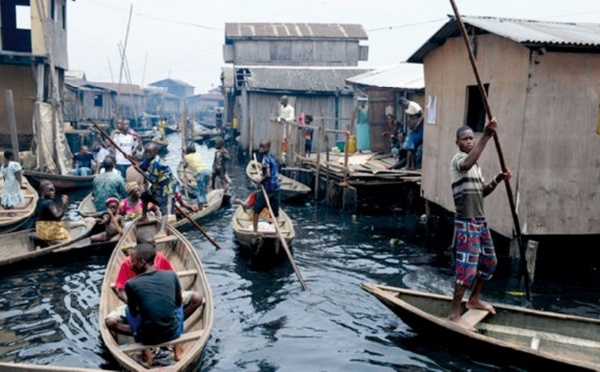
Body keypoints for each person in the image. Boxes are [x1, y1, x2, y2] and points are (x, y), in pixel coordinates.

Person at [448, 118, 511, 331]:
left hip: (479, 221)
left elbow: (482, 191)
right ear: (458, 143)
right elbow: (466, 164)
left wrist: (498, 180)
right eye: (465, 139)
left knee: (489, 262)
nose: (469, 142)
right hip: (466, 221)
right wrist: (487, 136)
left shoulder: (476, 166)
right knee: (467, 269)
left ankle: (473, 299)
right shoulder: (459, 160)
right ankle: (454, 314)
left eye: (471, 139)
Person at [124, 243, 184, 365]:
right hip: (172, 332)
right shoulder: (171, 275)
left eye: (133, 261)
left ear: (142, 262)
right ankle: (178, 350)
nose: (130, 265)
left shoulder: (131, 284)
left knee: (127, 310)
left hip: (146, 338)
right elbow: (178, 302)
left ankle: (147, 356)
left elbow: (134, 312)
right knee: (179, 305)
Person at [139, 142, 197, 237]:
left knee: (164, 207)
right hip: (158, 184)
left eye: (149, 152)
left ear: (156, 152)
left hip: (167, 185)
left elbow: (152, 178)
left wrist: (142, 172)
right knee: (144, 196)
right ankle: (144, 215)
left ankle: (162, 231)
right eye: (146, 152)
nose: (147, 154)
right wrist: (136, 165)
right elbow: (143, 167)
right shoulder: (148, 158)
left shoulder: (156, 163)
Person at [253, 140, 281, 233]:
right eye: (260, 147)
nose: (261, 149)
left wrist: (260, 182)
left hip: (268, 188)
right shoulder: (271, 156)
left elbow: (268, 175)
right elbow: (270, 169)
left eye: (263, 147)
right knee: (275, 213)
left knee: (256, 210)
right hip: (276, 187)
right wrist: (261, 168)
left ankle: (255, 231)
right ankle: (277, 232)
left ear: (268, 147)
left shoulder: (265, 158)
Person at [182, 143, 211, 210]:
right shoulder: (198, 154)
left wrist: (183, 155)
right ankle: (205, 202)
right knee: (204, 189)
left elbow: (184, 166)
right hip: (207, 171)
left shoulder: (186, 157)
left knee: (200, 191)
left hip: (200, 173)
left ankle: (200, 207)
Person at [399, 98, 424, 170]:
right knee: (411, 148)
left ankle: (407, 166)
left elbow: (423, 114)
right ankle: (412, 166)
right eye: (403, 106)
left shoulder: (414, 105)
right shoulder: (406, 108)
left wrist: (417, 125)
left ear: (406, 101)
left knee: (410, 146)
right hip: (413, 129)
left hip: (419, 129)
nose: (404, 107)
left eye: (404, 105)